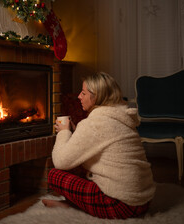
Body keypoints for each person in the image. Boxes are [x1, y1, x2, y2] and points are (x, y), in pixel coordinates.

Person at [42, 72, 155, 219]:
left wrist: (64, 132)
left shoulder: (95, 123)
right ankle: (76, 206)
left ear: (96, 97)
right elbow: (101, 144)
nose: (79, 97)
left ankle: (76, 207)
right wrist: (76, 132)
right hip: (142, 201)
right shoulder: (118, 117)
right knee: (79, 166)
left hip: (121, 205)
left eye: (83, 93)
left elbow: (60, 161)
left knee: (54, 175)